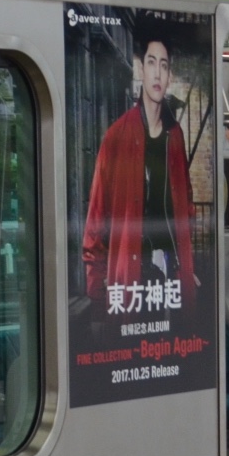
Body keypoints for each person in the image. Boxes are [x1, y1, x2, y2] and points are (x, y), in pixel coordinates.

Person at [82, 28, 196, 302]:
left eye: (164, 65)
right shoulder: (116, 136)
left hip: (171, 274)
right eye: (151, 63)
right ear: (141, 70)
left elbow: (186, 207)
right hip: (131, 277)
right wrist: (97, 285)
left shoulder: (175, 136)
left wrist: (187, 267)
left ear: (169, 77)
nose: (157, 73)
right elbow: (97, 218)